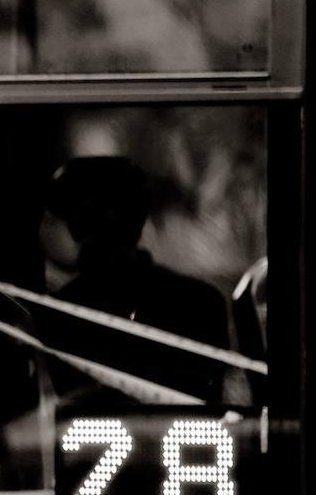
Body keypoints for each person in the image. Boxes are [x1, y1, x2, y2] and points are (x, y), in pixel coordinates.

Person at [37, 155, 232, 402]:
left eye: (50, 219)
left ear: (82, 226)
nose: (42, 230)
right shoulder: (204, 301)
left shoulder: (56, 316)